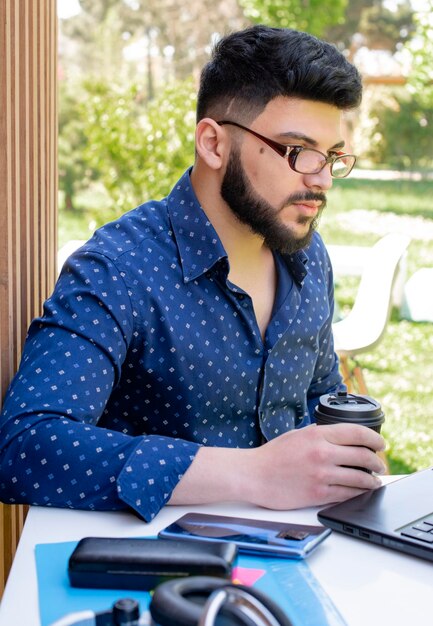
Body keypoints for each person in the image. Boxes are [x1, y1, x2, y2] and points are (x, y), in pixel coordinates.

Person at [0, 25, 386, 522]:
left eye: (332, 156)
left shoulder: (310, 260)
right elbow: (25, 446)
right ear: (213, 143)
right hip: (161, 576)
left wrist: (346, 452)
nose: (322, 178)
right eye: (299, 152)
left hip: (303, 558)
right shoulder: (119, 268)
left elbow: (316, 396)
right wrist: (253, 474)